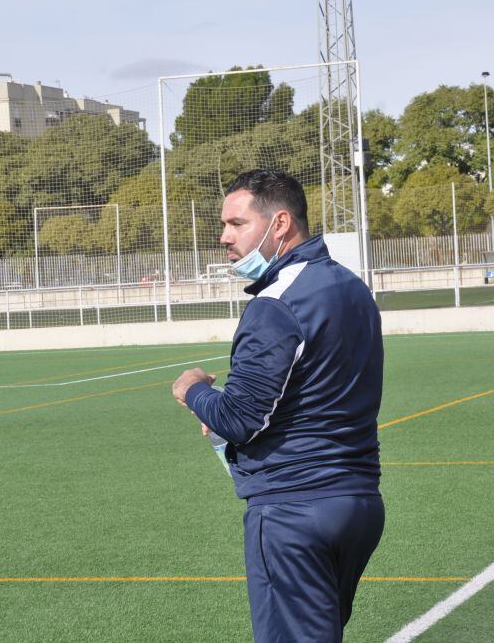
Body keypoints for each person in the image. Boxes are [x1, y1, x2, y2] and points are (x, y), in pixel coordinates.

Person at [171, 169, 384, 642]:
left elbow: (241, 418)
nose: (224, 237)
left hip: (294, 509)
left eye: (237, 223)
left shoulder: (276, 303)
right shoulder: (353, 290)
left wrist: (192, 390)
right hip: (358, 502)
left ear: (280, 223)